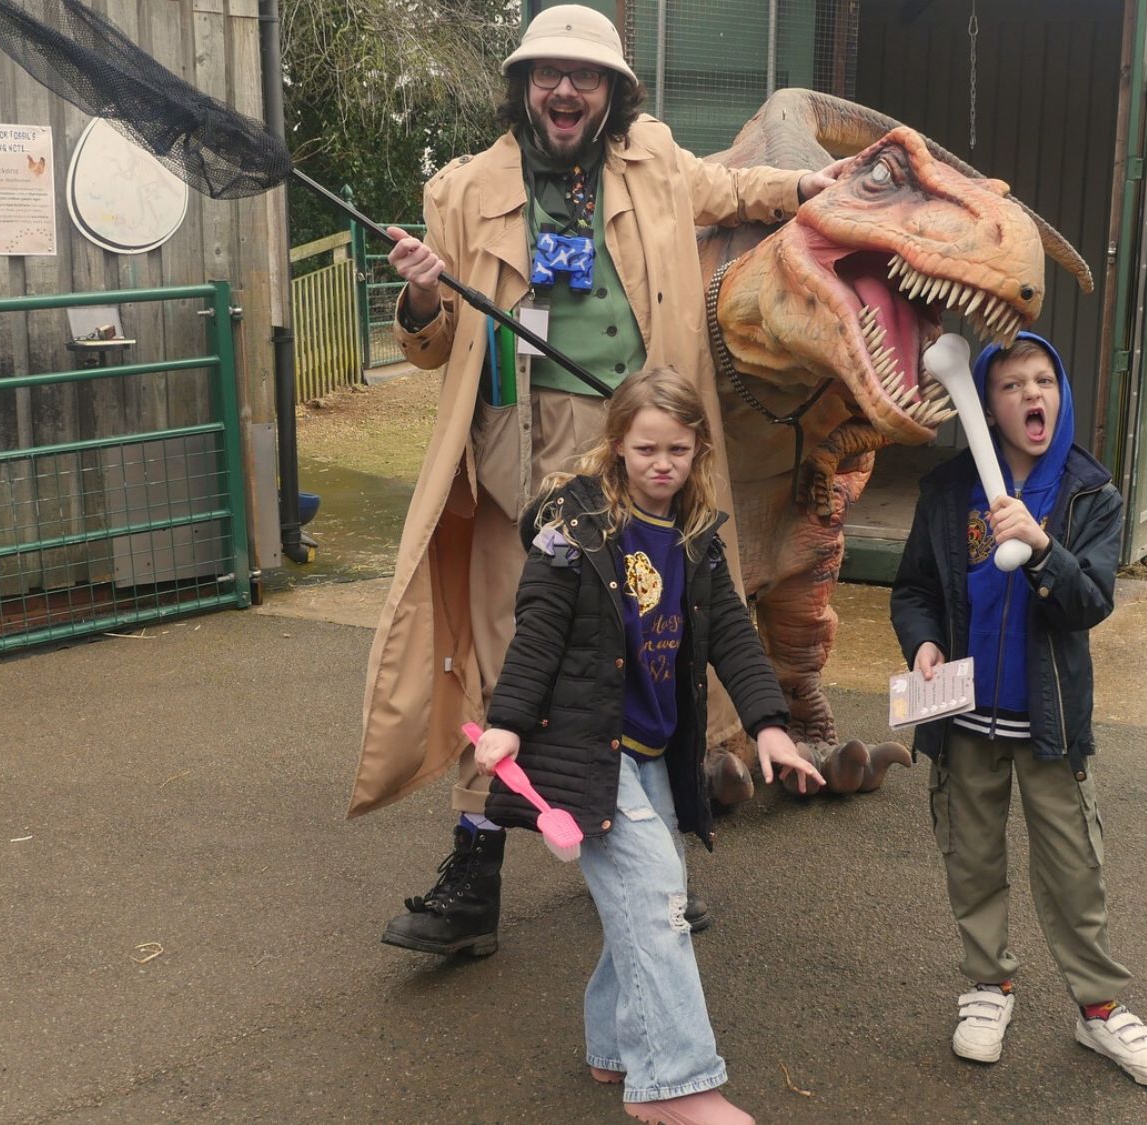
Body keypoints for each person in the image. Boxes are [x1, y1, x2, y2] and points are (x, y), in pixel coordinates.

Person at [344, 5, 839, 957]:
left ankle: (643, 858)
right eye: (547, 74)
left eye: (585, 76)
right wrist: (420, 294)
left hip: (642, 447)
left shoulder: (654, 160)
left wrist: (801, 186)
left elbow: (729, 189)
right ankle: (474, 875)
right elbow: (432, 346)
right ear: (523, 87)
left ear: (613, 92)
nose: (564, 90)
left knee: (652, 644)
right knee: (507, 657)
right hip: (520, 457)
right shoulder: (462, 191)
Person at [474, 367, 822, 1124]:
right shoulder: (577, 532)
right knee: (662, 899)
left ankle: (616, 1045)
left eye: (678, 450)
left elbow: (732, 635)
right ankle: (677, 1084)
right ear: (617, 445)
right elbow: (537, 633)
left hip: (653, 748)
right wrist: (507, 721)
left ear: (698, 451)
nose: (662, 464)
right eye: (646, 449)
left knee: (642, 899)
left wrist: (769, 723)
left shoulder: (695, 537)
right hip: (587, 749)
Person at [889, 332, 1147, 1087]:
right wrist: (922, 642)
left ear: (1060, 391)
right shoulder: (948, 490)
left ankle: (1100, 1008)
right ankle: (988, 987)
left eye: (1043, 380)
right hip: (962, 719)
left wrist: (1044, 548)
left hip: (1048, 724)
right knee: (972, 859)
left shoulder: (1089, 492)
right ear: (988, 403)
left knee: (1074, 867)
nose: (1030, 395)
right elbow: (914, 589)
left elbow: (1091, 603)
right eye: (1012, 385)